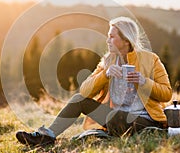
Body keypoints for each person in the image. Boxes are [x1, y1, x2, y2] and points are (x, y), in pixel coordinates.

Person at [16, 17, 172, 146]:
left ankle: (116, 129)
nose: (107, 40)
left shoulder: (151, 60)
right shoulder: (108, 61)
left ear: (126, 40)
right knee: (80, 100)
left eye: (112, 36)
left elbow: (166, 94)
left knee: (117, 116)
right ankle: (46, 137)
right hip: (114, 119)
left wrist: (144, 82)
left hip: (144, 121)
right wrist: (106, 74)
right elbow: (84, 91)